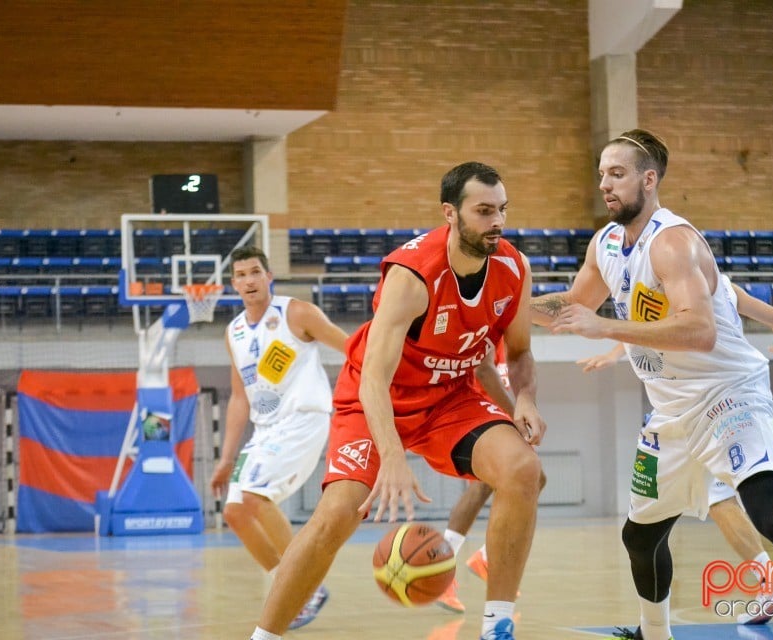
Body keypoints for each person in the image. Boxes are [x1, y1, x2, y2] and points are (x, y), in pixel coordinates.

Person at [530, 129, 773, 640]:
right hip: (672, 415)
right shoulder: (606, 244)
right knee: (639, 538)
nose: (605, 184)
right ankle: (654, 634)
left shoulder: (674, 242)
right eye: (601, 174)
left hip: (730, 396)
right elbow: (571, 305)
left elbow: (700, 331)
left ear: (649, 179)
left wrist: (608, 327)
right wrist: (500, 304)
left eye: (617, 174)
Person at [248, 161, 547, 640]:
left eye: (502, 211)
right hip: (376, 396)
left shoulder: (513, 267)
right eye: (484, 210)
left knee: (524, 471)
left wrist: (525, 398)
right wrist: (391, 454)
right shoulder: (412, 275)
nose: (497, 222)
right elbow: (373, 378)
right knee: (337, 514)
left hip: (450, 397)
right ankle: (264, 636)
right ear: (450, 213)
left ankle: (497, 626)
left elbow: (520, 350)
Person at [581, 276, 773, 627]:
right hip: (748, 407)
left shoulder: (670, 295)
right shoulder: (718, 288)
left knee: (723, 503)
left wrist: (611, 347)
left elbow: (641, 333)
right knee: (744, 504)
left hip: (711, 413)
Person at [209, 246, 349, 630]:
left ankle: (308, 584)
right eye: (241, 274)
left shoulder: (296, 313)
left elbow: (352, 349)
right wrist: (225, 458)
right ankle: (289, 583)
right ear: (233, 283)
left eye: (255, 272)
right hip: (265, 431)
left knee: (255, 497)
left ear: (269, 277)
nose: (249, 280)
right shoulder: (234, 332)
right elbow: (239, 398)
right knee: (235, 511)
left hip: (303, 420)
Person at [437, 341, 546, 615]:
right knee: (516, 478)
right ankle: (445, 570)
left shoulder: (507, 335)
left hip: (487, 410)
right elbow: (483, 373)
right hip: (475, 412)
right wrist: (515, 418)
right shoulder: (489, 322)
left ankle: (479, 559)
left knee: (520, 480)